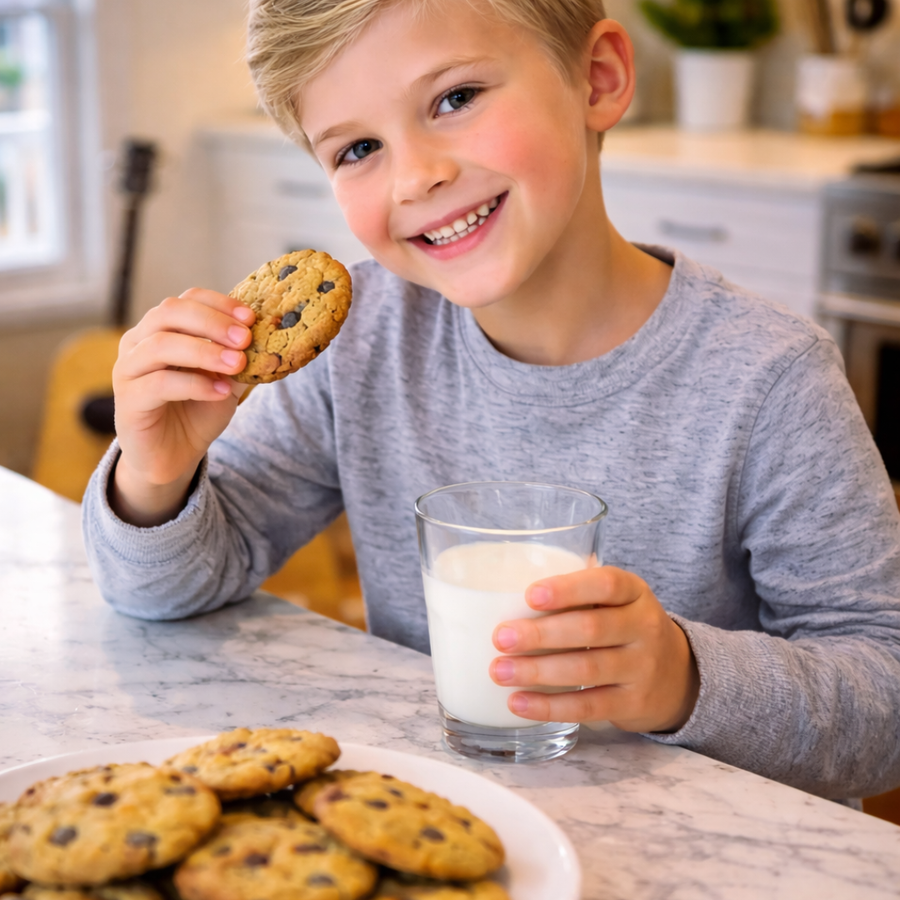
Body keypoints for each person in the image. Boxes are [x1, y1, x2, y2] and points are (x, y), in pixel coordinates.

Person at [83, 0, 900, 802]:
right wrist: (158, 471)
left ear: (599, 79)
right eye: (359, 147)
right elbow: (161, 594)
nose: (416, 175)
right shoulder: (363, 342)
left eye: (456, 98)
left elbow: (886, 702)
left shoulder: (767, 376)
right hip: (457, 813)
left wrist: (683, 675)